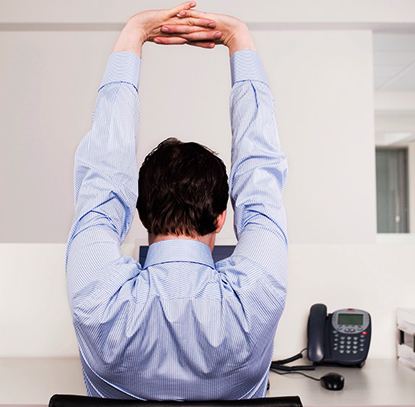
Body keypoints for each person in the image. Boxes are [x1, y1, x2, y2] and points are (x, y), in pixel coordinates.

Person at [66, 2, 288, 400]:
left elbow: (103, 178)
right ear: (222, 218)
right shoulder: (257, 296)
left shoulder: (97, 297)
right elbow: (261, 181)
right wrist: (239, 38)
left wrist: (134, 32)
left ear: (140, 212)